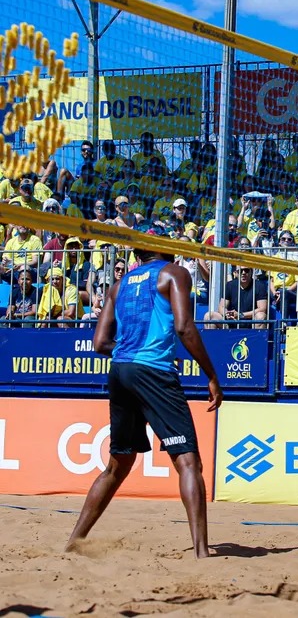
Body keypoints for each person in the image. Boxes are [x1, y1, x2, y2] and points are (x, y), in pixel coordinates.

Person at [66, 223, 222, 559]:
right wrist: (211, 375)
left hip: (120, 370)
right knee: (189, 463)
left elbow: (99, 343)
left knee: (117, 465)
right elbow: (184, 327)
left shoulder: (119, 285)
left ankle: (74, 541)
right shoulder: (174, 273)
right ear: (162, 248)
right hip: (153, 370)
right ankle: (201, 552)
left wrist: (131, 351)